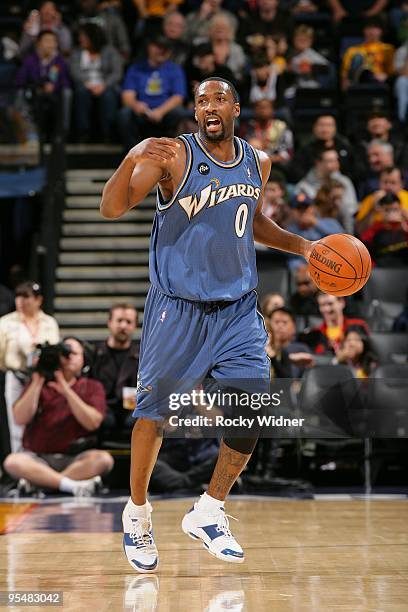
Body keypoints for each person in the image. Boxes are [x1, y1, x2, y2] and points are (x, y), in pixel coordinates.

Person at [100, 77, 316, 571]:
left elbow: (252, 219)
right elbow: (110, 208)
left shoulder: (256, 161)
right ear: (195, 112)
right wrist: (132, 156)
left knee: (251, 409)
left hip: (238, 307)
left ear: (237, 108)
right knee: (154, 417)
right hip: (178, 307)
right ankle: (137, 514)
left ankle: (210, 510)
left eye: (219, 98)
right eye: (201, 101)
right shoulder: (172, 155)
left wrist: (303, 246)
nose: (209, 107)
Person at [3, 337, 113, 497]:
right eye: (64, 353)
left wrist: (66, 390)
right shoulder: (38, 384)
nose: (68, 357)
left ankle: (42, 483)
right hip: (39, 459)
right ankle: (70, 485)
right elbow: (20, 419)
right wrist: (37, 381)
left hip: (76, 459)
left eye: (73, 353)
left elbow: (93, 423)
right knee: (13, 462)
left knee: (104, 460)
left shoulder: (92, 387)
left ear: (84, 360)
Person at [0, 281, 59, 453]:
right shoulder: (5, 322)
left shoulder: (49, 322)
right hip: (16, 376)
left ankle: (40, 461)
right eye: (18, 296)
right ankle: (18, 464)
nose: (21, 301)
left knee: (43, 419)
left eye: (26, 297)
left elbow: (54, 349)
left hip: (42, 376)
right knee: (15, 423)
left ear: (38, 299)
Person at [119, 34, 186, 150]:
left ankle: (173, 151)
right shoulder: (136, 69)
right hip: (142, 112)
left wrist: (160, 111)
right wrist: (136, 105)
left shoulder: (175, 69)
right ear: (149, 47)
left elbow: (178, 97)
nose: (162, 52)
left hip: (165, 113)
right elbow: (127, 96)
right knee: (124, 114)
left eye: (166, 49)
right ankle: (133, 153)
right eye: (159, 47)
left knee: (179, 112)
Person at [91, 303, 139, 438]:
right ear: (110, 323)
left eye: (128, 322)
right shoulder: (94, 354)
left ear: (134, 326)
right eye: (119, 321)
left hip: (132, 410)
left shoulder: (144, 356)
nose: (123, 326)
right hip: (102, 409)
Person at [70, 23, 123, 142]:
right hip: (84, 85)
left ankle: (108, 133)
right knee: (81, 93)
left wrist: (104, 85)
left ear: (93, 36)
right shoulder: (77, 52)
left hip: (105, 85)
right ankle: (83, 133)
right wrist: (87, 83)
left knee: (108, 96)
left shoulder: (110, 51)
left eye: (83, 35)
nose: (80, 38)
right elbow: (74, 71)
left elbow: (116, 73)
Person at [15, 30, 71, 138]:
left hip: (55, 94)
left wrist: (54, 86)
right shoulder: (30, 60)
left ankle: (62, 131)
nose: (51, 44)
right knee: (20, 94)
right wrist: (39, 85)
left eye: (53, 41)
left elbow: (66, 81)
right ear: (38, 43)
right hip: (34, 91)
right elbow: (20, 80)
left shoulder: (59, 61)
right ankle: (27, 133)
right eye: (47, 40)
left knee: (67, 93)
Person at [286, 192, 343, 270]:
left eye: (306, 208)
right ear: (293, 211)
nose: (303, 212)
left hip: (330, 266)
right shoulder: (290, 230)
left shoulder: (329, 222)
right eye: (299, 208)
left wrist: (315, 223)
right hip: (303, 271)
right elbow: (291, 257)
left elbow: (342, 240)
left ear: (313, 208)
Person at [295, 148, 358, 219]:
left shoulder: (344, 181)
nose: (336, 164)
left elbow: (351, 209)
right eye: (331, 161)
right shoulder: (303, 186)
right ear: (318, 162)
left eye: (336, 160)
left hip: (341, 223)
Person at [289, 114, 353, 182]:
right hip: (312, 185)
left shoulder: (344, 147)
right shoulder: (305, 149)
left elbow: (355, 170)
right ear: (314, 127)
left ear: (335, 128)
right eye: (321, 125)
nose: (325, 129)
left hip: (340, 185)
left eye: (329, 125)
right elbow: (295, 172)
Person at [302, 292, 370, 354]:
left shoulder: (358, 326)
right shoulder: (315, 334)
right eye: (322, 305)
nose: (326, 309)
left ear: (342, 303)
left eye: (330, 304)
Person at [341, 17, 395, 90]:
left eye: (375, 28)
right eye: (369, 28)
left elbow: (392, 71)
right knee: (358, 58)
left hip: (378, 80)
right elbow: (345, 72)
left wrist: (386, 76)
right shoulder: (353, 50)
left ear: (381, 31)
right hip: (357, 81)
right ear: (364, 30)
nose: (371, 31)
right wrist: (345, 81)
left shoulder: (387, 49)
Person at [241, 98, 294, 168]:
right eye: (259, 107)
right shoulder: (248, 128)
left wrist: (266, 159)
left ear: (272, 110)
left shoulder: (281, 127)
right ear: (255, 110)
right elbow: (242, 151)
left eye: (266, 107)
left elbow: (287, 154)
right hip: (252, 167)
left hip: (276, 167)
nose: (263, 110)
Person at [360, 192, 408, 266]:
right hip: (381, 271)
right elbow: (362, 246)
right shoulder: (376, 227)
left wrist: (406, 231)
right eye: (387, 210)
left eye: (395, 209)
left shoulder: (405, 226)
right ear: (381, 212)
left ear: (400, 210)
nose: (391, 213)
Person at [356, 166, 408, 233]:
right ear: (379, 183)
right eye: (385, 182)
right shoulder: (371, 199)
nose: (388, 187)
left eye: (393, 183)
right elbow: (359, 231)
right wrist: (373, 210)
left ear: (401, 184)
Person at [394, 40, 408, 123]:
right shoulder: (402, 51)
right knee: (401, 82)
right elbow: (403, 73)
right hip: (406, 79)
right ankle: (402, 120)